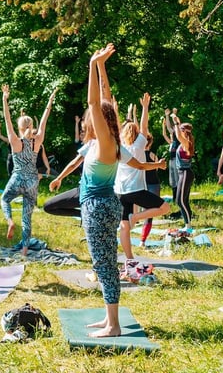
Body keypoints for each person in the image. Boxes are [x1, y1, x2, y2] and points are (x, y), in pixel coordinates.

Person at [81, 43, 124, 338]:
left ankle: (114, 325)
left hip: (98, 207)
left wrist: (92, 65)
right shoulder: (108, 139)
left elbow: (96, 104)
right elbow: (106, 100)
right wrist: (102, 67)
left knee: (104, 264)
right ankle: (109, 319)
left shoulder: (107, 142)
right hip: (103, 205)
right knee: (105, 262)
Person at [115, 94, 169, 277]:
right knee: (164, 207)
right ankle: (137, 217)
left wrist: (115, 109)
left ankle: (129, 258)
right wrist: (146, 107)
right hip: (136, 190)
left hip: (120, 192)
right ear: (135, 134)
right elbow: (144, 126)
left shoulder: (119, 147)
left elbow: (113, 127)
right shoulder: (139, 145)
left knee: (124, 227)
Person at [0, 85, 57, 255]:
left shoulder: (15, 141)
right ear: (32, 125)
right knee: (27, 218)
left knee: (4, 200)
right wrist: (50, 99)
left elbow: (7, 119)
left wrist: (5, 98)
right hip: (32, 180)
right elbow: (45, 118)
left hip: (17, 178)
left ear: (19, 127)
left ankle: (10, 221)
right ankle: (24, 251)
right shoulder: (37, 141)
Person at [171, 113, 195, 231]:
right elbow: (178, 133)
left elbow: (178, 135)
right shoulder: (184, 143)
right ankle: (188, 223)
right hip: (184, 173)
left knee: (180, 201)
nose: (179, 132)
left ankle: (188, 225)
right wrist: (177, 122)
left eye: (181, 130)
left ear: (185, 132)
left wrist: (176, 122)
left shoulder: (186, 143)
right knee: (183, 200)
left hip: (185, 173)